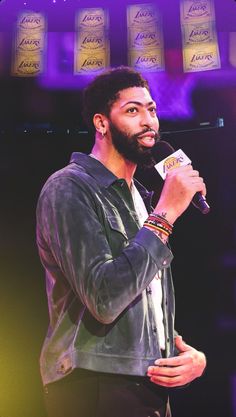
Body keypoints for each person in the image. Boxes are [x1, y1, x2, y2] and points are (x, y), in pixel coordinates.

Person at [36, 66, 207, 417]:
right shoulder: (70, 188)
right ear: (101, 123)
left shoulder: (141, 199)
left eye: (152, 109)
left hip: (148, 383)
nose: (148, 121)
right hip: (94, 382)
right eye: (133, 110)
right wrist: (165, 214)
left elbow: (142, 299)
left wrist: (186, 356)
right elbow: (104, 297)